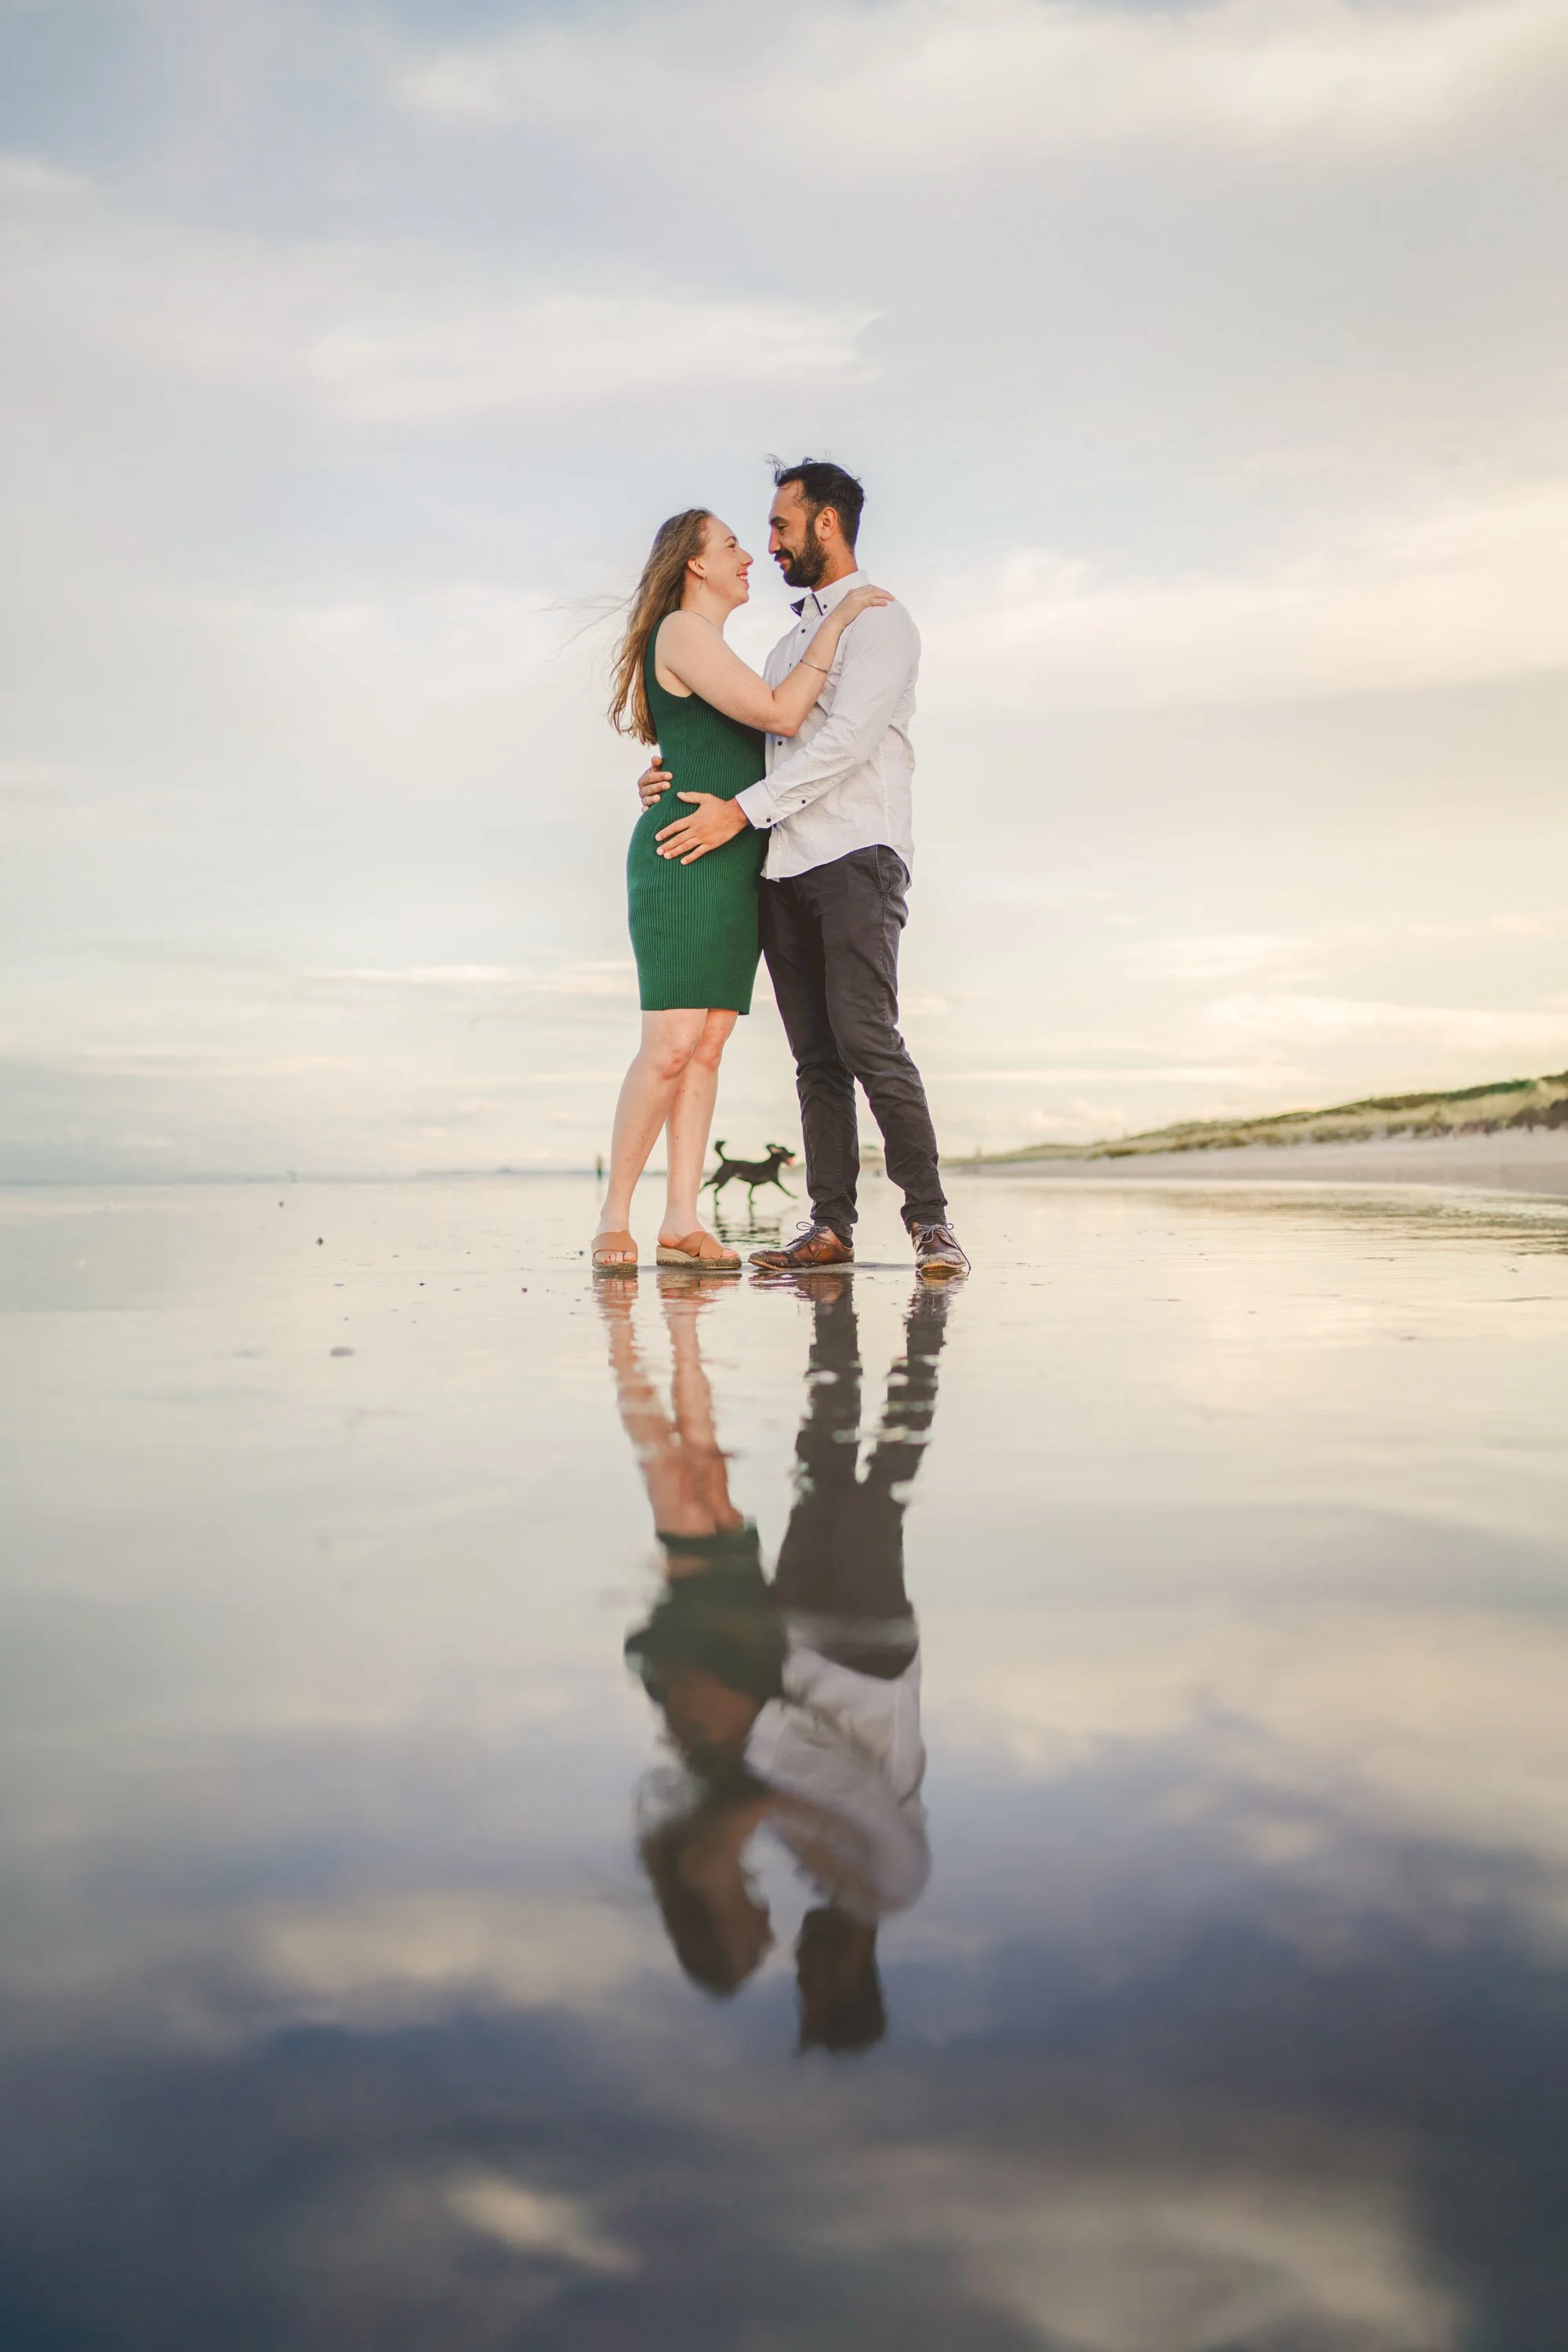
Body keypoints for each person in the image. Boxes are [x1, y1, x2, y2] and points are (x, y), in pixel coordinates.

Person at [601, 1267, 949, 2051]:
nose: (799, 1967)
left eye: (798, 1985)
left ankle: (844, 1329)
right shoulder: (892, 1883)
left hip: (798, 1646)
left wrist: (753, 1780)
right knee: (876, 1482)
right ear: (846, 1982)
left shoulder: (815, 1867)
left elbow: (788, 1765)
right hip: (865, 1652)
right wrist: (754, 1793)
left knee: (820, 1467)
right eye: (807, 1986)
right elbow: (829, 1773)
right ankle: (916, 1341)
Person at [638, 459, 970, 1282]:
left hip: (856, 855)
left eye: (781, 524)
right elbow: (749, 736)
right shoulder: (790, 641)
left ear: (825, 522)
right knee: (814, 1059)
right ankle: (829, 1226)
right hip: (782, 868)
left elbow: (841, 744)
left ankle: (930, 1224)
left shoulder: (880, 624)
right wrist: (666, 776)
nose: (769, 542)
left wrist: (740, 812)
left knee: (866, 1039)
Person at [593, 509, 891, 1272]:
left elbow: (734, 747)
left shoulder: (712, 645)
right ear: (694, 565)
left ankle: (682, 1222)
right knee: (667, 1047)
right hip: (682, 855)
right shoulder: (681, 631)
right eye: (730, 546)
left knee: (707, 1047)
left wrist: (669, 771)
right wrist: (843, 615)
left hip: (732, 858)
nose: (747, 557)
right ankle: (613, 1219)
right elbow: (779, 712)